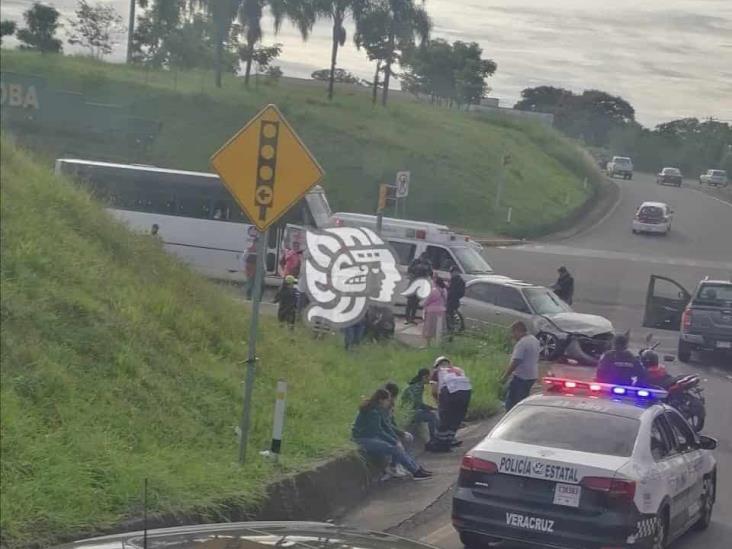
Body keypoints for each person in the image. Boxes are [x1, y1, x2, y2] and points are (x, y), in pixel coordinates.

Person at [352, 389, 432, 480]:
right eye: (388, 400)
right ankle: (414, 471)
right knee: (395, 448)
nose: (389, 402)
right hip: (363, 439)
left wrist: (397, 438)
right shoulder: (372, 412)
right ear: (381, 400)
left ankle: (416, 468)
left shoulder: (378, 410)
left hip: (371, 437)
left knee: (398, 445)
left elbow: (386, 426)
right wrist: (394, 441)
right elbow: (379, 431)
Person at [427, 356, 472, 452]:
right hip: (466, 393)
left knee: (444, 420)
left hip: (449, 392)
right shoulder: (459, 370)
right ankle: (449, 441)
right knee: (456, 420)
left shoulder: (437, 371)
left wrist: (439, 404)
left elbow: (434, 391)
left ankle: (441, 445)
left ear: (437, 365)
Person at [501, 321, 540, 411]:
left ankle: (510, 419)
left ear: (518, 331)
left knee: (512, 401)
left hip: (521, 377)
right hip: (532, 376)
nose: (513, 336)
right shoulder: (534, 340)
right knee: (522, 399)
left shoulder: (522, 343)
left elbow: (516, 361)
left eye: (513, 333)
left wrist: (505, 376)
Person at [383, 382, 416, 477]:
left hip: (388, 429)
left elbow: (391, 421)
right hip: (382, 431)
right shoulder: (383, 406)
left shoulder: (390, 405)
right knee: (398, 442)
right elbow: (386, 424)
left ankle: (399, 464)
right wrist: (399, 433)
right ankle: (393, 466)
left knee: (407, 438)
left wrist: (400, 431)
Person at [402, 368, 439, 443]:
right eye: (429, 377)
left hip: (409, 411)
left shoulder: (417, 385)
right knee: (432, 417)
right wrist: (429, 408)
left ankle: (437, 438)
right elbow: (416, 403)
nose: (430, 379)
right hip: (409, 413)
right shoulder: (418, 387)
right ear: (424, 377)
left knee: (433, 414)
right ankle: (434, 440)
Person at [405, 253, 433, 324]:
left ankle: (412, 318)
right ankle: (407, 318)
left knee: (416, 303)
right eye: (423, 258)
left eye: (425, 259)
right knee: (409, 303)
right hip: (413, 283)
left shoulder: (428, 263)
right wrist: (419, 267)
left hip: (421, 283)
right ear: (420, 257)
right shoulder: (415, 261)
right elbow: (409, 270)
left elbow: (430, 273)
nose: (423, 260)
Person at [422, 276, 447, 346]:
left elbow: (427, 301)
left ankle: (428, 344)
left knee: (429, 328)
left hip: (432, 311)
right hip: (442, 311)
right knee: (439, 328)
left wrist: (423, 305)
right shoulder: (444, 291)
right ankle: (438, 344)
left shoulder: (433, 291)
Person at [446, 266, 465, 333]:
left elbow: (451, 291)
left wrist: (449, 294)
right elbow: (462, 293)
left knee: (449, 315)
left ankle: (450, 330)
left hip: (452, 300)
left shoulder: (455, 279)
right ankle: (452, 329)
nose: (451, 274)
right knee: (452, 315)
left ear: (455, 272)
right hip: (456, 300)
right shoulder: (460, 280)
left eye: (452, 272)